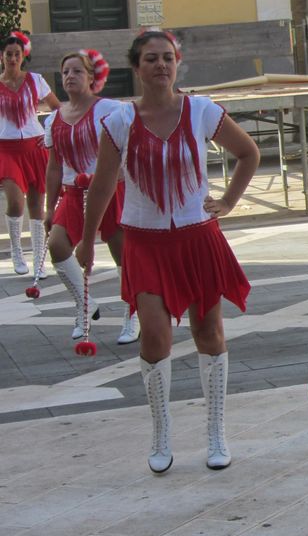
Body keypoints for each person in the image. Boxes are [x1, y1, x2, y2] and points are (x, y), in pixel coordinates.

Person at [75, 29, 259, 473]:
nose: (161, 65)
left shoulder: (201, 111)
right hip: (144, 241)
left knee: (208, 331)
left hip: (197, 238)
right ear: (136, 68)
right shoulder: (119, 120)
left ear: (177, 64)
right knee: (154, 336)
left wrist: (228, 201)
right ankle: (161, 434)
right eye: (151, 58)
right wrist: (86, 239)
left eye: (168, 58)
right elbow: (102, 185)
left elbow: (248, 153)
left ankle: (216, 432)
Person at [43, 49, 138, 343]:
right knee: (57, 245)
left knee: (122, 254)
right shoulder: (53, 119)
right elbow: (54, 167)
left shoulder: (110, 110)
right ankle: (84, 304)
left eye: (77, 71)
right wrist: (49, 208)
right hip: (74, 193)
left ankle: (132, 314)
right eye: (65, 72)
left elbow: (130, 147)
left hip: (110, 189)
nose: (70, 76)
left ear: (91, 77)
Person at [1, 31, 61, 276]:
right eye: (9, 54)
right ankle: (16, 251)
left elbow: (57, 109)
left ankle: (39, 260)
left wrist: (48, 135)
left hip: (35, 147)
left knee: (37, 206)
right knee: (15, 202)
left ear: (23, 56)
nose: (13, 59)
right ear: (2, 56)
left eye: (17, 54)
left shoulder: (35, 80)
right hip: (6, 149)